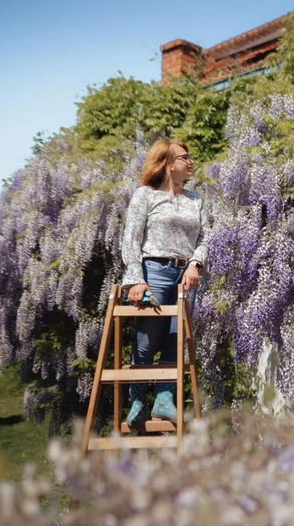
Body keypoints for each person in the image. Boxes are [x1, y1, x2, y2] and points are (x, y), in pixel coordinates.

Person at [121, 139, 207, 425]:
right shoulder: (145, 196)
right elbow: (131, 238)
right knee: (147, 340)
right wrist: (135, 280)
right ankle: (136, 403)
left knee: (175, 338)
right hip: (153, 270)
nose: (191, 161)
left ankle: (164, 400)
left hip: (186, 274)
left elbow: (207, 237)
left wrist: (195, 264)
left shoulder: (196, 199)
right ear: (169, 164)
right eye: (185, 157)